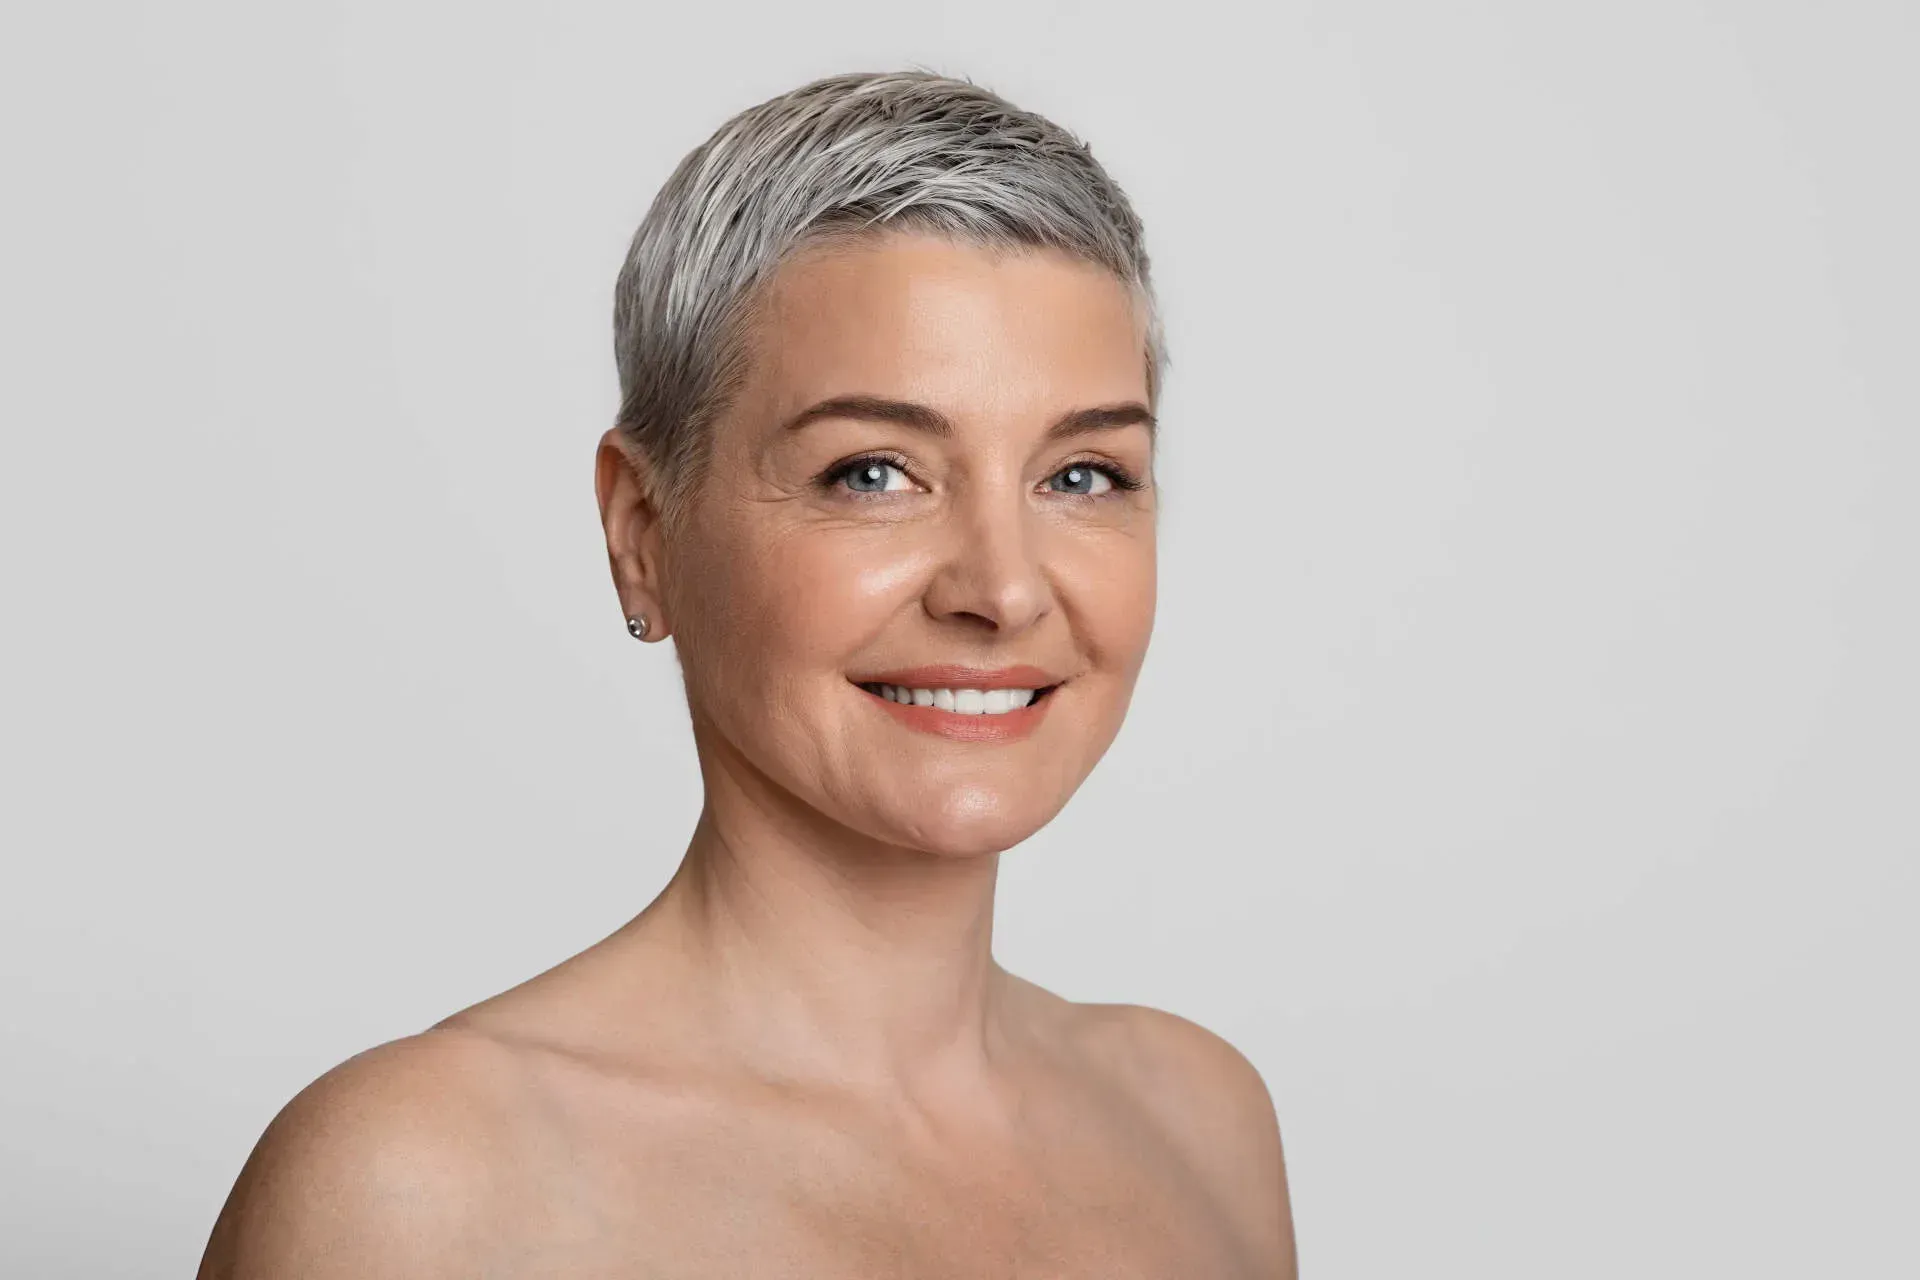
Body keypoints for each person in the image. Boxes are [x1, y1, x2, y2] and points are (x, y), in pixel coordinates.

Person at [198, 69, 1297, 1278]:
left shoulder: (1202, 1121)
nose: (1004, 588)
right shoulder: (415, 1190)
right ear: (643, 530)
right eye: (873, 472)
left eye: (1083, 474)